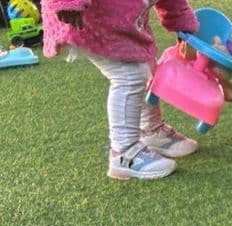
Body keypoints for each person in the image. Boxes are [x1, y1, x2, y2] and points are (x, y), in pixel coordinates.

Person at [42, 0, 201, 180]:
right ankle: (124, 152)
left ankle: (151, 130)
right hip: (89, 20)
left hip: (123, 20)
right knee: (129, 75)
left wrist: (183, 25)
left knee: (144, 65)